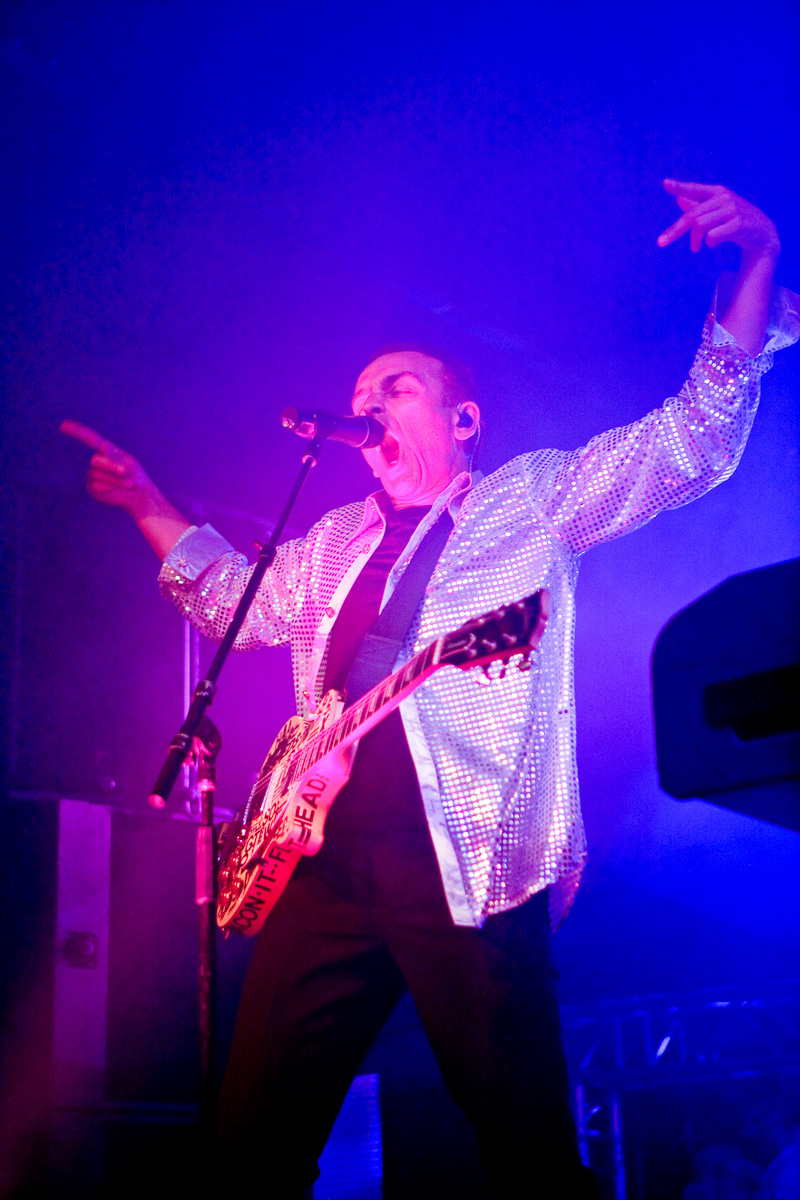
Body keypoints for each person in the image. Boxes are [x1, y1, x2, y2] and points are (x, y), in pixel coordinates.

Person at [62, 180, 798, 1198]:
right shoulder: (333, 539)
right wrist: (149, 502)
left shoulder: (530, 498)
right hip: (321, 866)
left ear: (462, 418)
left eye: (396, 388)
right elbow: (233, 601)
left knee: (528, 1154)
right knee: (249, 1148)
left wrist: (753, 267)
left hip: (465, 862)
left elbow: (687, 445)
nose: (369, 404)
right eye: (361, 394)